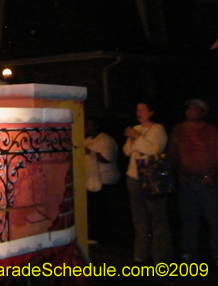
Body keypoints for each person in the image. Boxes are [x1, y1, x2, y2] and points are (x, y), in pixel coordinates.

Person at [166, 98, 218, 263]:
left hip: (206, 181)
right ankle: (189, 255)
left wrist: (210, 175)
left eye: (195, 108)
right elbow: (173, 153)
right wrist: (178, 173)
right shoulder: (178, 129)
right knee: (189, 221)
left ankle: (216, 254)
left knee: (214, 220)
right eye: (189, 108)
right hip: (186, 181)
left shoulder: (211, 130)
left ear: (202, 112)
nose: (191, 111)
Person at [122, 100, 172, 264]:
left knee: (157, 218)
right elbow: (127, 151)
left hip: (152, 178)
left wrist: (137, 137)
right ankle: (140, 254)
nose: (139, 113)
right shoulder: (136, 128)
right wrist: (132, 138)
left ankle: (160, 257)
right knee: (139, 218)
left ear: (151, 112)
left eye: (143, 110)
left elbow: (154, 150)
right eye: (137, 110)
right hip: (134, 177)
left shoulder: (158, 129)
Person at [84, 116, 120, 245]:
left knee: (101, 208)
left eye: (89, 124)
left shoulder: (105, 140)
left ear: (96, 126)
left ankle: (103, 237)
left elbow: (107, 158)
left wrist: (90, 152)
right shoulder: (87, 140)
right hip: (91, 178)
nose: (86, 127)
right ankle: (94, 234)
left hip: (104, 178)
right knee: (93, 207)